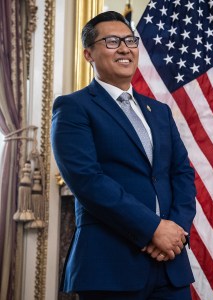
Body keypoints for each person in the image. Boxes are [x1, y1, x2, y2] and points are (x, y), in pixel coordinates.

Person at [51, 11, 196, 300]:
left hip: (170, 264)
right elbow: (88, 182)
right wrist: (152, 229)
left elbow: (182, 173)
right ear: (88, 54)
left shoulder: (160, 112)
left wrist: (175, 231)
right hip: (109, 265)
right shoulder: (73, 108)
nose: (124, 48)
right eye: (112, 41)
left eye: (130, 40)